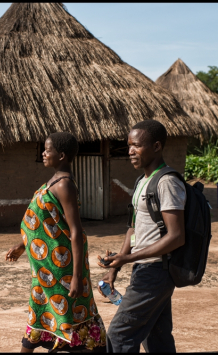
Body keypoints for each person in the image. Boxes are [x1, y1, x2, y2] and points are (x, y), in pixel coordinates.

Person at [6, 132, 106, 353]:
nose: (43, 153)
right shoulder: (53, 182)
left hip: (63, 270)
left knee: (73, 317)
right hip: (45, 269)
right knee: (40, 313)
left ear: (61, 155)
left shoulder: (64, 185)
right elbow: (45, 223)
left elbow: (75, 232)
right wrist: (22, 245)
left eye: (47, 150)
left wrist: (77, 278)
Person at [97, 120, 186, 353]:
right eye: (128, 146)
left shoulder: (167, 182)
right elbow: (133, 229)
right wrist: (115, 268)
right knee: (157, 338)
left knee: (119, 336)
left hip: (157, 272)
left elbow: (176, 237)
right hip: (145, 270)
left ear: (156, 146)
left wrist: (127, 259)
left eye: (136, 145)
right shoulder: (142, 182)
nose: (130, 152)